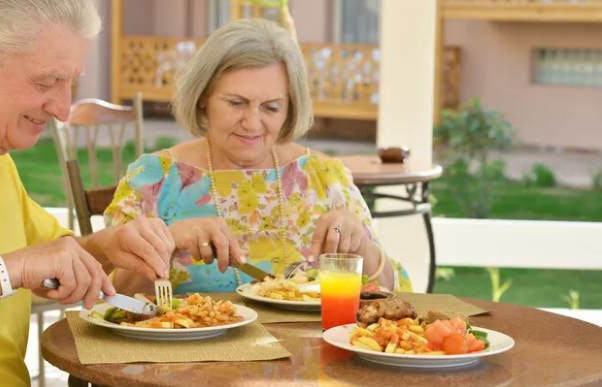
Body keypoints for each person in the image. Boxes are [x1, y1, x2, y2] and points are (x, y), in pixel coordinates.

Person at [0, 1, 175, 386]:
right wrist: (11, 270)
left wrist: (111, 244)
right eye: (46, 82)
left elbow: (47, 260)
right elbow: (21, 265)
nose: (63, 109)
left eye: (71, 83)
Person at [104, 18, 413, 296]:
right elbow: (109, 299)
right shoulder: (153, 180)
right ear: (202, 97)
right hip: (185, 358)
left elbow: (395, 292)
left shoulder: (325, 178)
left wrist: (360, 246)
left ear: (290, 107)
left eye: (271, 107)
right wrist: (166, 244)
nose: (252, 123)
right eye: (236, 103)